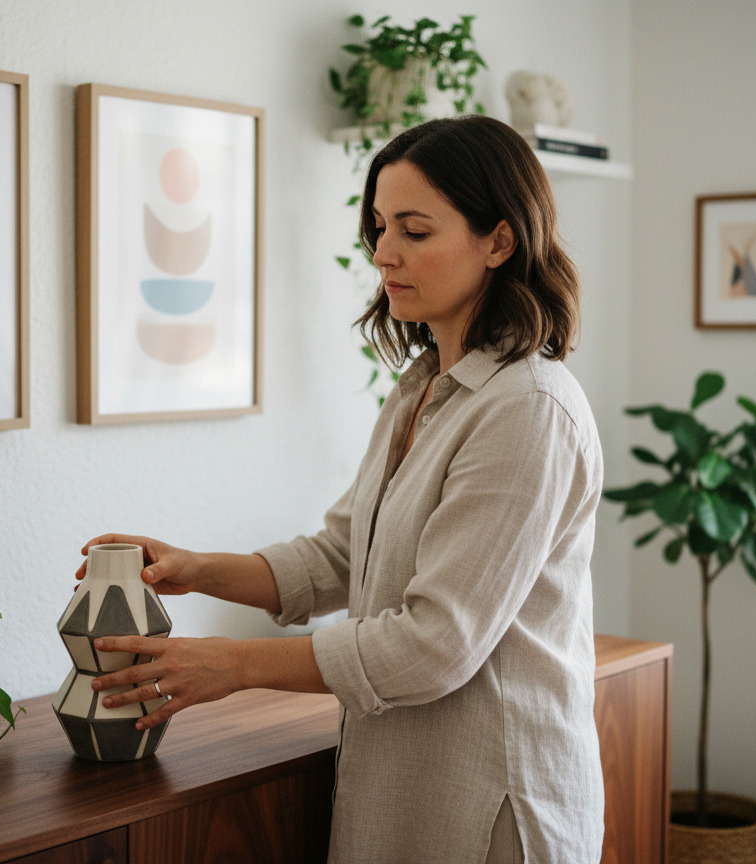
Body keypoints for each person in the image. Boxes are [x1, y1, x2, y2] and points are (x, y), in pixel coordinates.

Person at [76, 114, 605, 864]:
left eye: (415, 231)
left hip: (491, 803)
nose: (384, 252)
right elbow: (338, 555)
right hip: (403, 787)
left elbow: (434, 643)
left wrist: (237, 665)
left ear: (499, 240)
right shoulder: (424, 388)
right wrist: (198, 569)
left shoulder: (528, 410)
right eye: (380, 226)